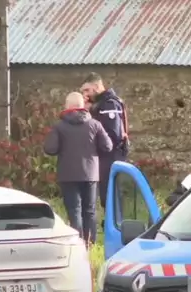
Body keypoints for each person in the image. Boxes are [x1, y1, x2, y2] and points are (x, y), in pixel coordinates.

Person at [44, 92, 113, 246]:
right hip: (90, 174)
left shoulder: (59, 126)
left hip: (68, 174)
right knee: (90, 210)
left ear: (68, 106)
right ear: (82, 106)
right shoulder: (94, 124)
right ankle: (90, 244)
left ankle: (77, 245)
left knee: (74, 211)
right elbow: (108, 146)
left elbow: (50, 148)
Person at [80, 73, 129, 226]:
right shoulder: (101, 104)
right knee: (107, 193)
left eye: (87, 90)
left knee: (111, 193)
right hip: (107, 156)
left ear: (96, 86)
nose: (85, 95)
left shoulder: (109, 104)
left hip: (111, 155)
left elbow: (112, 134)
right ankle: (112, 223)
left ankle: (115, 225)